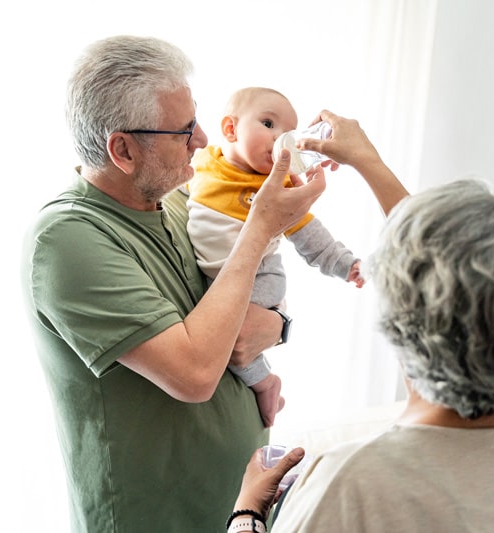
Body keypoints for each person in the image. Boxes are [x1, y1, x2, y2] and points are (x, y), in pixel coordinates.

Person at [227, 111, 494, 533]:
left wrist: (248, 512)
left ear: (404, 325)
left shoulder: (354, 485)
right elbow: (449, 271)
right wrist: (369, 162)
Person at [20, 35, 327, 533]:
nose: (204, 140)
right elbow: (195, 372)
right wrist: (260, 228)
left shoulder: (182, 203)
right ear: (121, 149)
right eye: (183, 130)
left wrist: (278, 323)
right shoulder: (67, 240)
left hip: (233, 512)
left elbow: (244, 318)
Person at [185, 86, 364, 428]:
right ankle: (266, 381)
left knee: (229, 335)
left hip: (262, 277)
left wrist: (347, 265)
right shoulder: (203, 162)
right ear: (230, 129)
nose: (281, 139)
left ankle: (265, 383)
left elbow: (314, 240)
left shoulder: (276, 189)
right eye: (269, 124)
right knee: (219, 332)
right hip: (220, 278)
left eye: (289, 134)